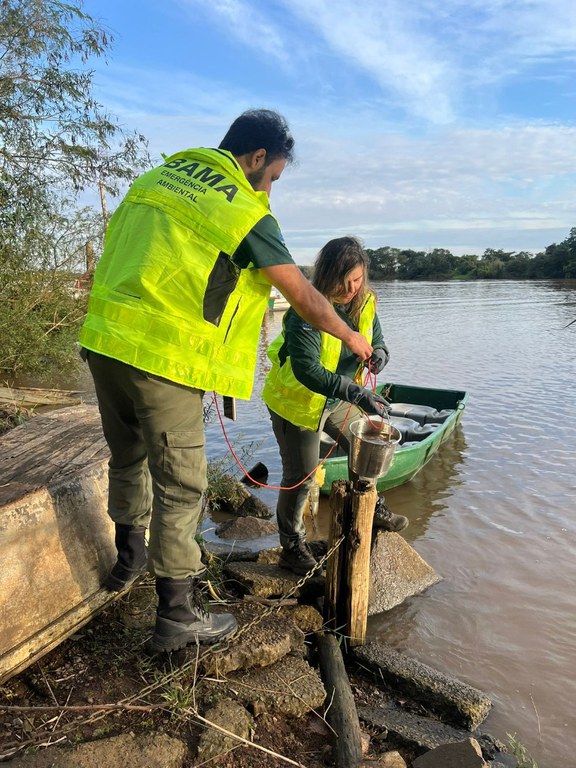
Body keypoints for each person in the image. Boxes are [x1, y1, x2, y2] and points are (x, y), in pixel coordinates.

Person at [79, 109, 374, 654]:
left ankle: (128, 561)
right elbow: (304, 297)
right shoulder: (238, 205)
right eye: (275, 179)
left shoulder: (157, 179)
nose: (271, 191)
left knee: (127, 459)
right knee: (183, 485)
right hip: (160, 359)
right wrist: (355, 340)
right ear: (257, 159)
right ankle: (176, 617)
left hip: (103, 343)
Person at [262, 236, 409, 575]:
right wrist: (358, 394)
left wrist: (380, 357)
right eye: (343, 282)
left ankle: (372, 509)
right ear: (327, 276)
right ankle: (292, 545)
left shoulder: (365, 300)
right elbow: (308, 371)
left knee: (368, 446)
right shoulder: (305, 311)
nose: (351, 289)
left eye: (357, 280)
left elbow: (379, 341)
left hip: (338, 398)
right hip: (297, 402)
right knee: (301, 476)